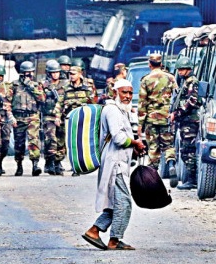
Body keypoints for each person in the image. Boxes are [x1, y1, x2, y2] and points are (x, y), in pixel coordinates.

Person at [81, 79, 146, 251]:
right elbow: (118, 138)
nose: (127, 96)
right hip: (114, 164)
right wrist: (135, 143)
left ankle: (95, 231)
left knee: (115, 203)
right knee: (123, 203)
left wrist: (134, 146)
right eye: (124, 92)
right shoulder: (112, 110)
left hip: (120, 163)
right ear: (115, 93)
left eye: (130, 93)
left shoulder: (122, 111)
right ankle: (114, 240)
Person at [138, 53, 177, 174]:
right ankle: (171, 163)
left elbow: (142, 103)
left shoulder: (146, 79)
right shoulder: (171, 78)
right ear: (161, 64)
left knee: (153, 147)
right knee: (168, 144)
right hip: (166, 117)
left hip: (151, 119)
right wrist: (174, 113)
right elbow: (176, 97)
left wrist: (140, 124)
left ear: (149, 64)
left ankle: (152, 172)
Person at [9, 61, 45, 176]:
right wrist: (11, 117)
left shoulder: (36, 85)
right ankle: (19, 165)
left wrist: (31, 86)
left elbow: (42, 99)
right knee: (19, 144)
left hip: (32, 117)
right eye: (27, 73)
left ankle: (35, 165)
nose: (29, 75)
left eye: (31, 73)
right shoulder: (14, 85)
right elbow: (7, 102)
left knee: (34, 141)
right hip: (18, 117)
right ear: (22, 73)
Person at [60, 61, 94, 176]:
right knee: (71, 144)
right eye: (70, 74)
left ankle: (83, 165)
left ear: (80, 74)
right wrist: (57, 116)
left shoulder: (87, 88)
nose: (71, 76)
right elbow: (59, 103)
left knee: (82, 144)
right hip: (70, 120)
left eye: (74, 74)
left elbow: (94, 103)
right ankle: (75, 167)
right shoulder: (65, 88)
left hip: (84, 119)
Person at [170, 56, 199, 190]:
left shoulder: (192, 82)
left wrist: (178, 113)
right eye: (179, 70)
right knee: (185, 149)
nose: (180, 72)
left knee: (188, 150)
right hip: (185, 120)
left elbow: (192, 101)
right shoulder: (186, 82)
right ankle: (191, 178)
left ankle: (192, 179)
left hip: (190, 120)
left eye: (182, 70)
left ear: (188, 69)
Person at [41, 59, 66, 175]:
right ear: (48, 73)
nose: (56, 74)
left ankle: (58, 162)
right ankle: (50, 161)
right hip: (48, 116)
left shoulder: (65, 84)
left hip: (61, 116)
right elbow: (39, 99)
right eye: (53, 72)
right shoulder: (43, 85)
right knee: (51, 139)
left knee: (61, 140)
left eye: (57, 72)